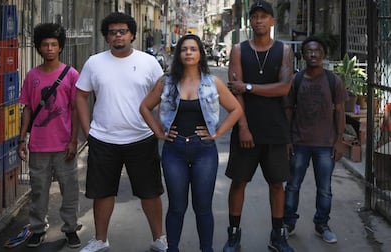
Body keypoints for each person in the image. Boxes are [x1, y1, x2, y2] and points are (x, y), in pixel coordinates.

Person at [140, 34, 243, 252]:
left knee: (203, 207)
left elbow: (236, 109)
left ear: (200, 54)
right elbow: (144, 107)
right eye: (184, 49)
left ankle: (207, 249)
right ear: (179, 54)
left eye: (193, 49)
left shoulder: (212, 82)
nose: (188, 53)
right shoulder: (166, 82)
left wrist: (217, 133)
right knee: (177, 207)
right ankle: (173, 249)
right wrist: (158, 132)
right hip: (173, 150)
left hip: (204, 151)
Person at [75, 12, 167, 252]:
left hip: (141, 138)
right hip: (103, 139)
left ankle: (159, 238)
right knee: (102, 193)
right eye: (113, 32)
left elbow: (164, 94)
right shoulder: (94, 62)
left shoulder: (148, 62)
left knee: (150, 192)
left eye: (123, 31)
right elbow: (80, 96)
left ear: (132, 35)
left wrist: (157, 125)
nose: (118, 36)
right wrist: (87, 131)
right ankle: (100, 240)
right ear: (106, 36)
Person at [223, 1, 294, 252]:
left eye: (264, 16)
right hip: (247, 127)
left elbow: (284, 88)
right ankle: (233, 234)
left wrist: (250, 87)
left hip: (275, 128)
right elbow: (235, 93)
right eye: (255, 17)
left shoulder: (284, 51)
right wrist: (243, 126)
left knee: (277, 184)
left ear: (272, 21)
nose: (259, 20)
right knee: (239, 182)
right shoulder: (238, 50)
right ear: (250, 21)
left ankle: (277, 235)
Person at [18, 23, 81, 248]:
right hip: (38, 145)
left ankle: (71, 228)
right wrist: (21, 139)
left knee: (70, 189)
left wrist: (74, 140)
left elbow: (75, 109)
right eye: (45, 44)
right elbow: (27, 108)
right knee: (38, 190)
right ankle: (37, 229)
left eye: (54, 44)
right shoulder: (32, 75)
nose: (50, 48)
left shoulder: (71, 74)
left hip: (64, 145)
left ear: (60, 47)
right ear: (39, 48)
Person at [283, 36, 347, 244]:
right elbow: (288, 110)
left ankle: (322, 224)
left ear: (323, 55)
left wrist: (339, 140)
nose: (313, 54)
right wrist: (288, 139)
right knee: (292, 186)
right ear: (303, 55)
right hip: (300, 142)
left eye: (317, 51)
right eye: (309, 51)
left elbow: (340, 112)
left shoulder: (333, 81)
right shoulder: (297, 79)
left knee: (325, 189)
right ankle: (288, 223)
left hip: (325, 144)